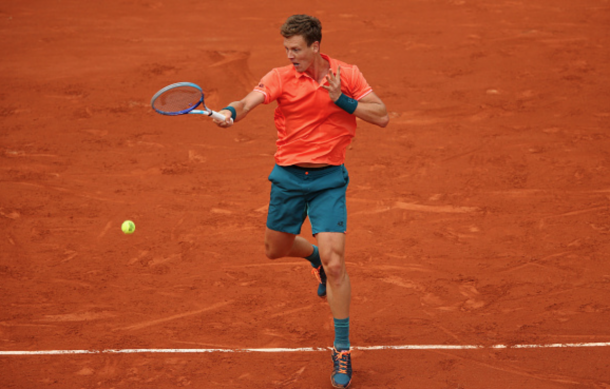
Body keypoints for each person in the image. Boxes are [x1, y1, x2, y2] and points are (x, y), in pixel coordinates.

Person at [214, 14, 389, 388]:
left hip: (328, 179)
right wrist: (231, 112)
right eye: (286, 49)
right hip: (289, 178)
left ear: (315, 47)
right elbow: (249, 101)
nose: (290, 55)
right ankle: (312, 258)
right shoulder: (280, 77)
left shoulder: (347, 74)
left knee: (337, 262)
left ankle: (341, 349)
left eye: (296, 49)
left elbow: (382, 115)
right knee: (274, 249)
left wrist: (341, 99)